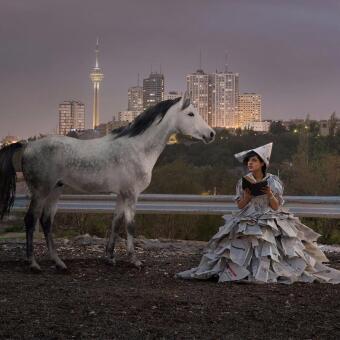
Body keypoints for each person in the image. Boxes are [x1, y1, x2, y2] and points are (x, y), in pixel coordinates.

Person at [176, 142, 340, 284]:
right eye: (248, 160)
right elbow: (240, 206)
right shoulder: (243, 181)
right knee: (238, 240)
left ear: (262, 163)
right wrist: (247, 197)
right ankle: (240, 271)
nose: (249, 163)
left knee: (269, 240)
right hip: (247, 216)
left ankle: (267, 271)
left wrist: (269, 194)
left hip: (269, 216)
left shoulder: (273, 181)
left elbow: (275, 207)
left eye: (254, 160)